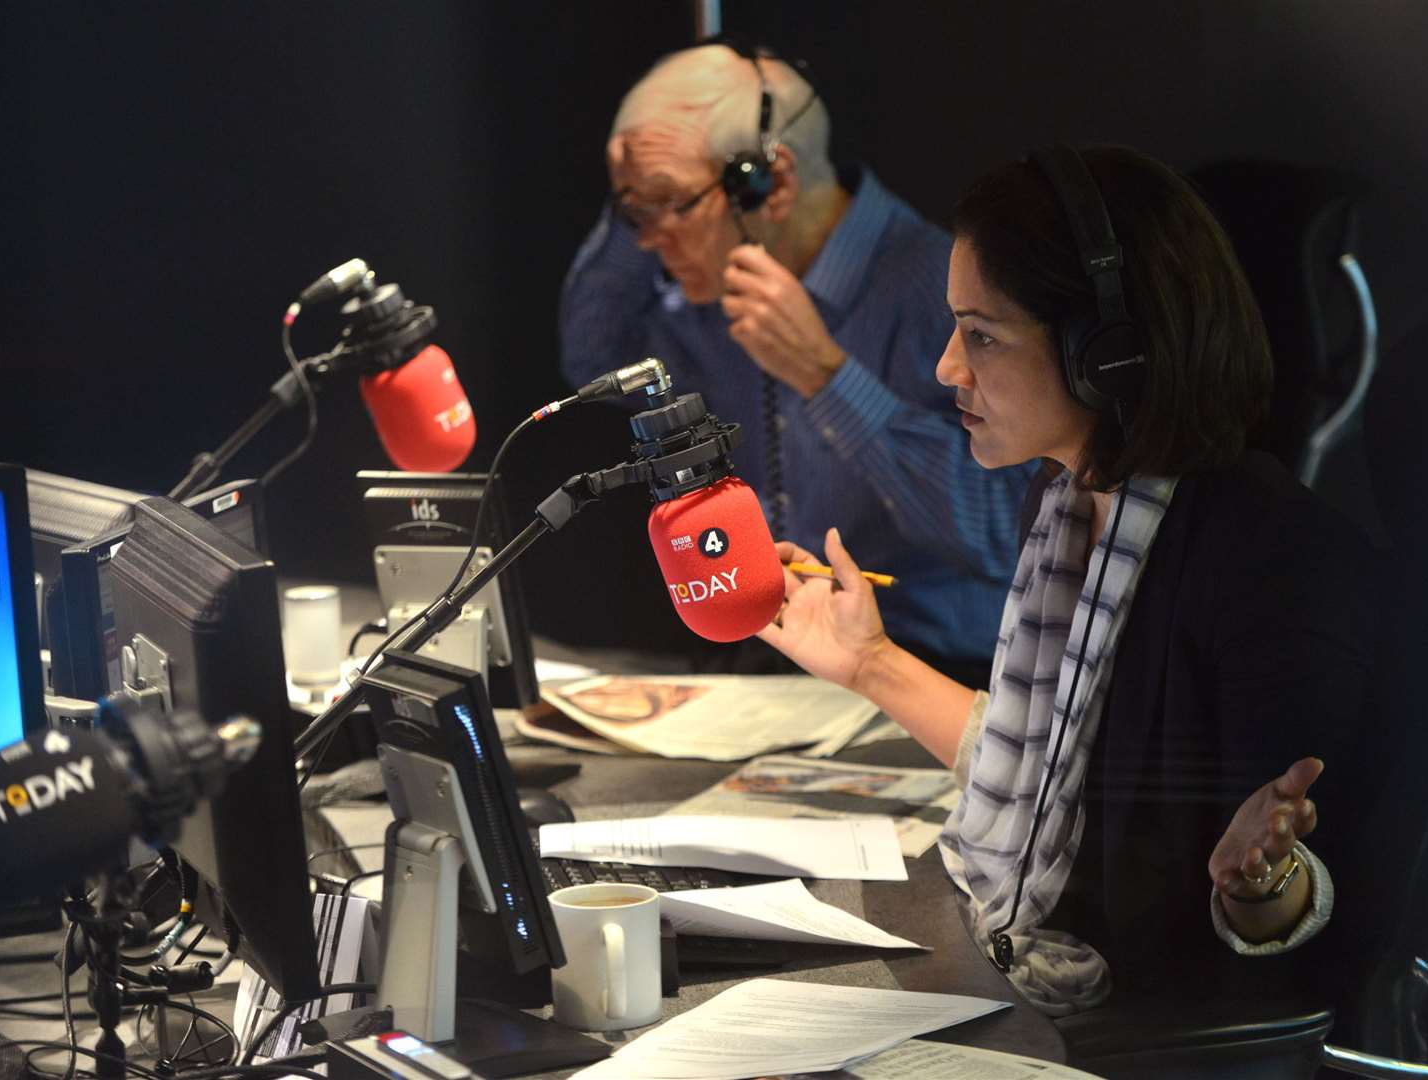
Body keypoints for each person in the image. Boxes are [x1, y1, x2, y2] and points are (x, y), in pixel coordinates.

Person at [757, 146, 1376, 1016]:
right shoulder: (1066, 498)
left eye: (982, 334)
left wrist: (1259, 882)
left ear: (1107, 354)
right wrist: (869, 662)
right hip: (1046, 977)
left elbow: (1303, 917)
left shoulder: (1268, 559)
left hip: (1152, 1030)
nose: (948, 369)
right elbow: (1050, 772)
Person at [559, 42, 1032, 683]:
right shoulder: (707, 291)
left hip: (940, 667)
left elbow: (1008, 532)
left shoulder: (941, 289)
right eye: (634, 215)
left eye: (665, 206)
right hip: (780, 661)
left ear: (770, 183)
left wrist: (827, 378)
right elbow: (591, 352)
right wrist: (634, 196)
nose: (647, 240)